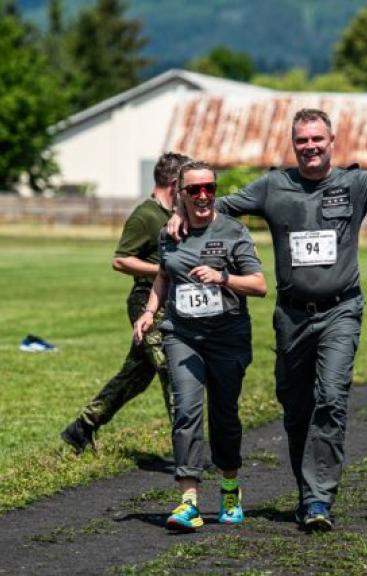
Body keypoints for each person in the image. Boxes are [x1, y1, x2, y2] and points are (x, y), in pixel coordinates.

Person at [168, 108, 367, 531]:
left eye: (317, 139)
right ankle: (307, 494)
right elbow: (216, 206)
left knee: (331, 398)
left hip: (341, 310)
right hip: (291, 317)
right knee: (296, 409)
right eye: (302, 140)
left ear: (331, 141)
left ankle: (319, 499)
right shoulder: (273, 186)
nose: (310, 147)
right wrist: (179, 211)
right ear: (294, 144)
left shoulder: (354, 184)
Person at [134, 160, 266, 531]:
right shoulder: (169, 233)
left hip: (227, 337)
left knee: (224, 415)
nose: (203, 195)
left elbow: (259, 285)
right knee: (186, 410)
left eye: (209, 187)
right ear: (182, 194)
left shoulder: (234, 231)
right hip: (182, 335)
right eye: (194, 189)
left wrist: (223, 278)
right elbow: (164, 276)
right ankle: (188, 501)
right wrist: (149, 311)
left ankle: (229, 489)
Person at [60, 152, 190, 454]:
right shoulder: (146, 215)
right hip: (147, 303)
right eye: (187, 185)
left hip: (173, 304)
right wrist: (163, 269)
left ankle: (81, 428)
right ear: (174, 183)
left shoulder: (173, 214)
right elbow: (120, 260)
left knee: (135, 376)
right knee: (172, 369)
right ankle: (188, 450)